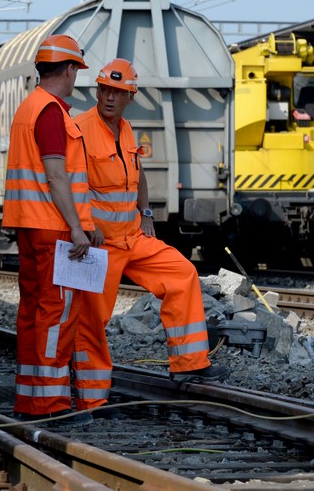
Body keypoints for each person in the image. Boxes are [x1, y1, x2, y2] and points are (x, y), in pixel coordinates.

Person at [73, 58, 227, 406]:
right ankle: (91, 400)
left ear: (131, 96)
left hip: (132, 237)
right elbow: (70, 182)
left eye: (118, 92)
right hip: (100, 245)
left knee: (183, 274)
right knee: (92, 321)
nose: (110, 97)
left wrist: (145, 212)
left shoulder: (126, 129)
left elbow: (137, 173)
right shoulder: (79, 129)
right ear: (97, 90)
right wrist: (85, 225)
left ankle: (188, 363)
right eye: (105, 90)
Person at [1, 34, 103, 424]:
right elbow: (57, 175)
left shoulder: (30, 108)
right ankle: (51, 406)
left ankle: (30, 400)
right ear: (70, 69)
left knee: (31, 313)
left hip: (30, 225)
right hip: (53, 228)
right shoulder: (51, 112)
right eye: (77, 68)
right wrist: (78, 228)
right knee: (55, 316)